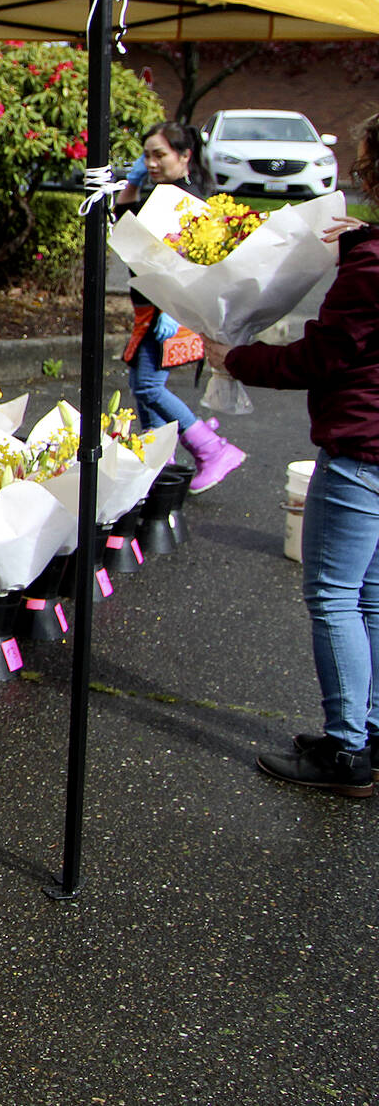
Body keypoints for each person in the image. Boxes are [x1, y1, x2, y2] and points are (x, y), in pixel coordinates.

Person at [209, 110, 379, 798]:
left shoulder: (371, 270)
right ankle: (367, 730)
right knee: (372, 598)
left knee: (334, 595)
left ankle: (345, 753)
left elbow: (319, 355)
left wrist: (235, 357)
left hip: (362, 447)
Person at [116, 121, 246, 491]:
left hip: (170, 310)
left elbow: (194, 266)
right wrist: (134, 182)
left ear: (184, 155)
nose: (152, 162)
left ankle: (211, 448)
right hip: (151, 309)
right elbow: (124, 229)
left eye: (160, 155)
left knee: (148, 387)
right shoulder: (162, 194)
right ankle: (160, 464)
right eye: (146, 155)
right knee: (142, 386)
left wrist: (172, 311)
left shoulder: (187, 201)